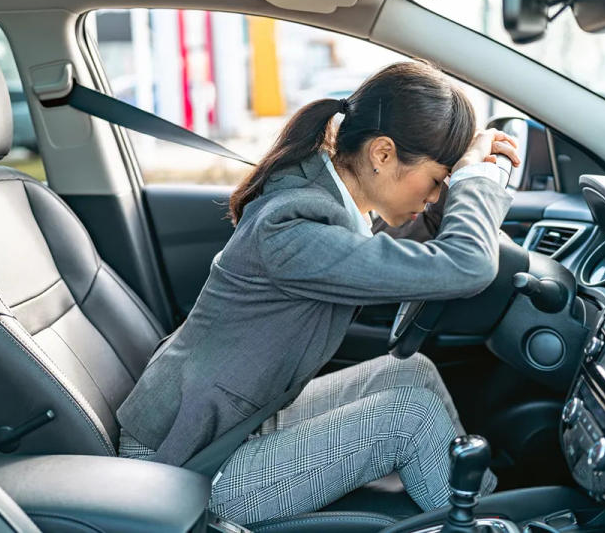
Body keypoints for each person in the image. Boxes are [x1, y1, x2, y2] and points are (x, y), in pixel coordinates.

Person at [116, 61, 520, 524]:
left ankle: (485, 504)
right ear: (383, 154)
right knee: (409, 416)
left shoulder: (321, 200)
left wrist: (458, 187)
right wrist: (476, 184)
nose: (434, 196)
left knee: (410, 374)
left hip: (231, 425)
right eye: (436, 180)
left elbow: (401, 261)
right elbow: (467, 266)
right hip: (182, 465)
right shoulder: (294, 227)